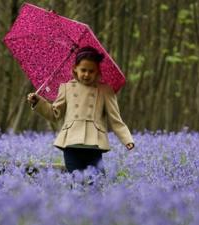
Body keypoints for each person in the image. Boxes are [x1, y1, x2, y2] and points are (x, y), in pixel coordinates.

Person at [27, 46, 134, 174]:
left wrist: (127, 140)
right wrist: (38, 102)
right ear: (75, 69)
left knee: (96, 181)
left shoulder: (106, 91)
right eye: (83, 70)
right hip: (71, 144)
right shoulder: (66, 88)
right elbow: (54, 115)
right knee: (76, 181)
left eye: (91, 71)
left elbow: (116, 120)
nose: (87, 74)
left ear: (98, 71)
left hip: (94, 144)